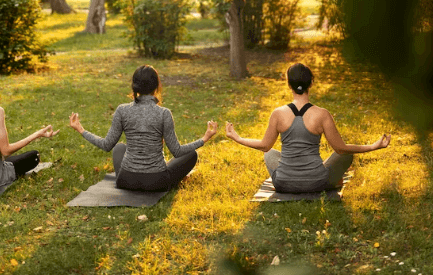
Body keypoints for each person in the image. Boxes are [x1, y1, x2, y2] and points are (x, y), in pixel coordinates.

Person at [225, 62, 391, 193]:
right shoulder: (322, 114)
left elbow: (264, 146)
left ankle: (300, 176)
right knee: (346, 155)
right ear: (311, 83)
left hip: (284, 183)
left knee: (269, 152)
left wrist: (237, 138)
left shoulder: (278, 113)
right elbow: (340, 149)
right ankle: (331, 180)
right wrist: (373, 146)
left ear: (288, 84)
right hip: (316, 182)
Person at [69, 64, 218, 191]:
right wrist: (204, 138)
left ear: (135, 86)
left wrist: (81, 129)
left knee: (119, 147)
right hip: (157, 182)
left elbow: (106, 145)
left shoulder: (122, 110)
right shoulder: (164, 113)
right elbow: (177, 151)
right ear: (157, 85)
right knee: (191, 154)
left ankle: (137, 174)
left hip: (126, 181)